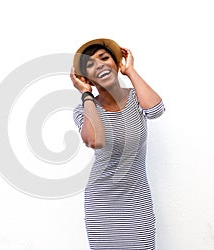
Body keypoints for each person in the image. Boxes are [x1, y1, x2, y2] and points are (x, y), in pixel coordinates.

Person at [70, 38, 165, 249]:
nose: (100, 65)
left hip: (136, 202)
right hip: (102, 205)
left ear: (116, 63)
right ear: (86, 78)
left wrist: (130, 70)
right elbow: (95, 140)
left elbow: (156, 110)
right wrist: (86, 94)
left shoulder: (137, 99)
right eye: (91, 65)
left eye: (104, 58)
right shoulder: (85, 109)